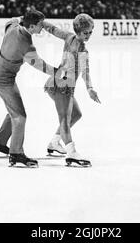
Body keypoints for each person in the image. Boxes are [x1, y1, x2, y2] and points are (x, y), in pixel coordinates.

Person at [0, 10, 58, 168]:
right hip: (4, 79)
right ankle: (16, 153)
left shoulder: (12, 27)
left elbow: (10, 20)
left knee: (13, 111)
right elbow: (40, 65)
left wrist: (23, 18)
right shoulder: (26, 44)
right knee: (20, 116)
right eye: (41, 25)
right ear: (32, 26)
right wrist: (58, 72)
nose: (43, 28)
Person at [42, 14, 101, 167]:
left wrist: (41, 22)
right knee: (65, 119)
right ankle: (72, 153)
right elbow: (85, 71)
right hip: (63, 85)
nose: (88, 36)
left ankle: (54, 143)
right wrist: (90, 88)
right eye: (85, 33)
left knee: (76, 114)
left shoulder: (69, 37)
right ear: (78, 31)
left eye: (90, 32)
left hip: (56, 83)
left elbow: (53, 30)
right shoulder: (82, 49)